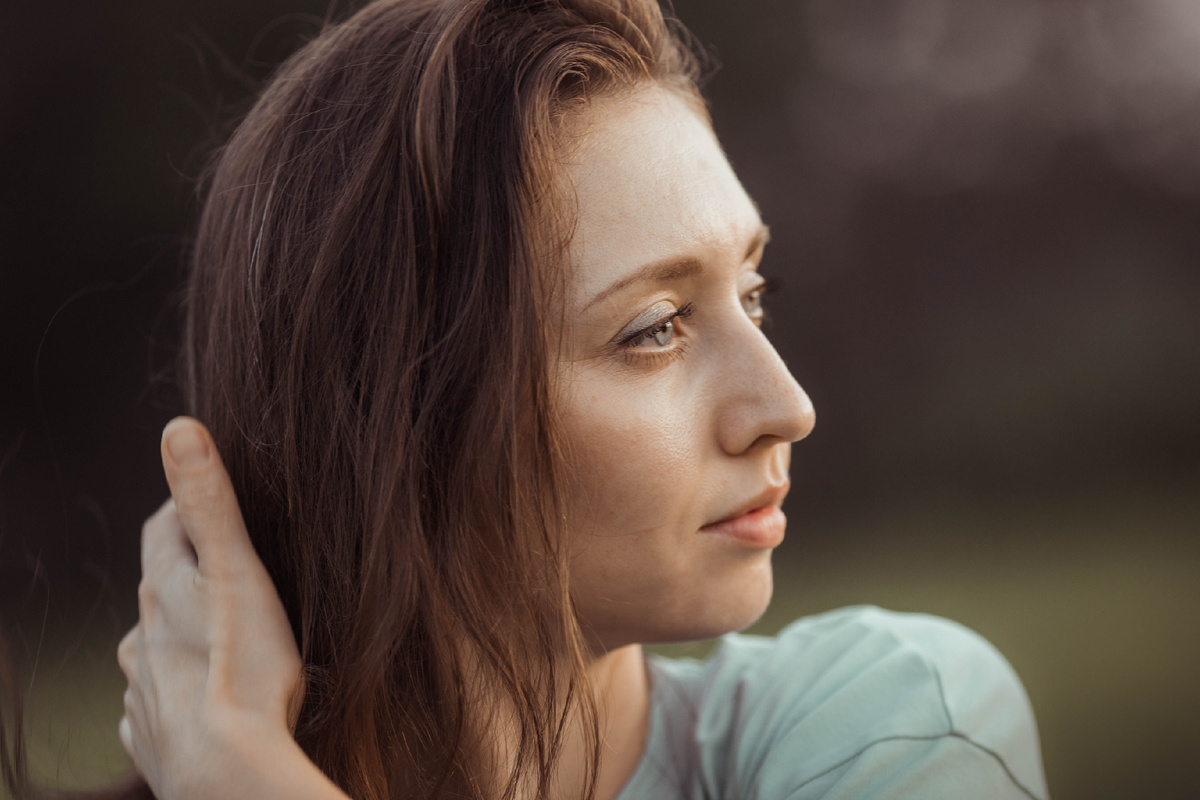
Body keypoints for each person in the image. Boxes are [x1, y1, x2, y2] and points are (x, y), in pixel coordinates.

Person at [111, 1, 1048, 798]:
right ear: (398, 421)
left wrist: (237, 776)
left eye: (753, 294)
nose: (786, 407)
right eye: (656, 328)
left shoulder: (892, 727)